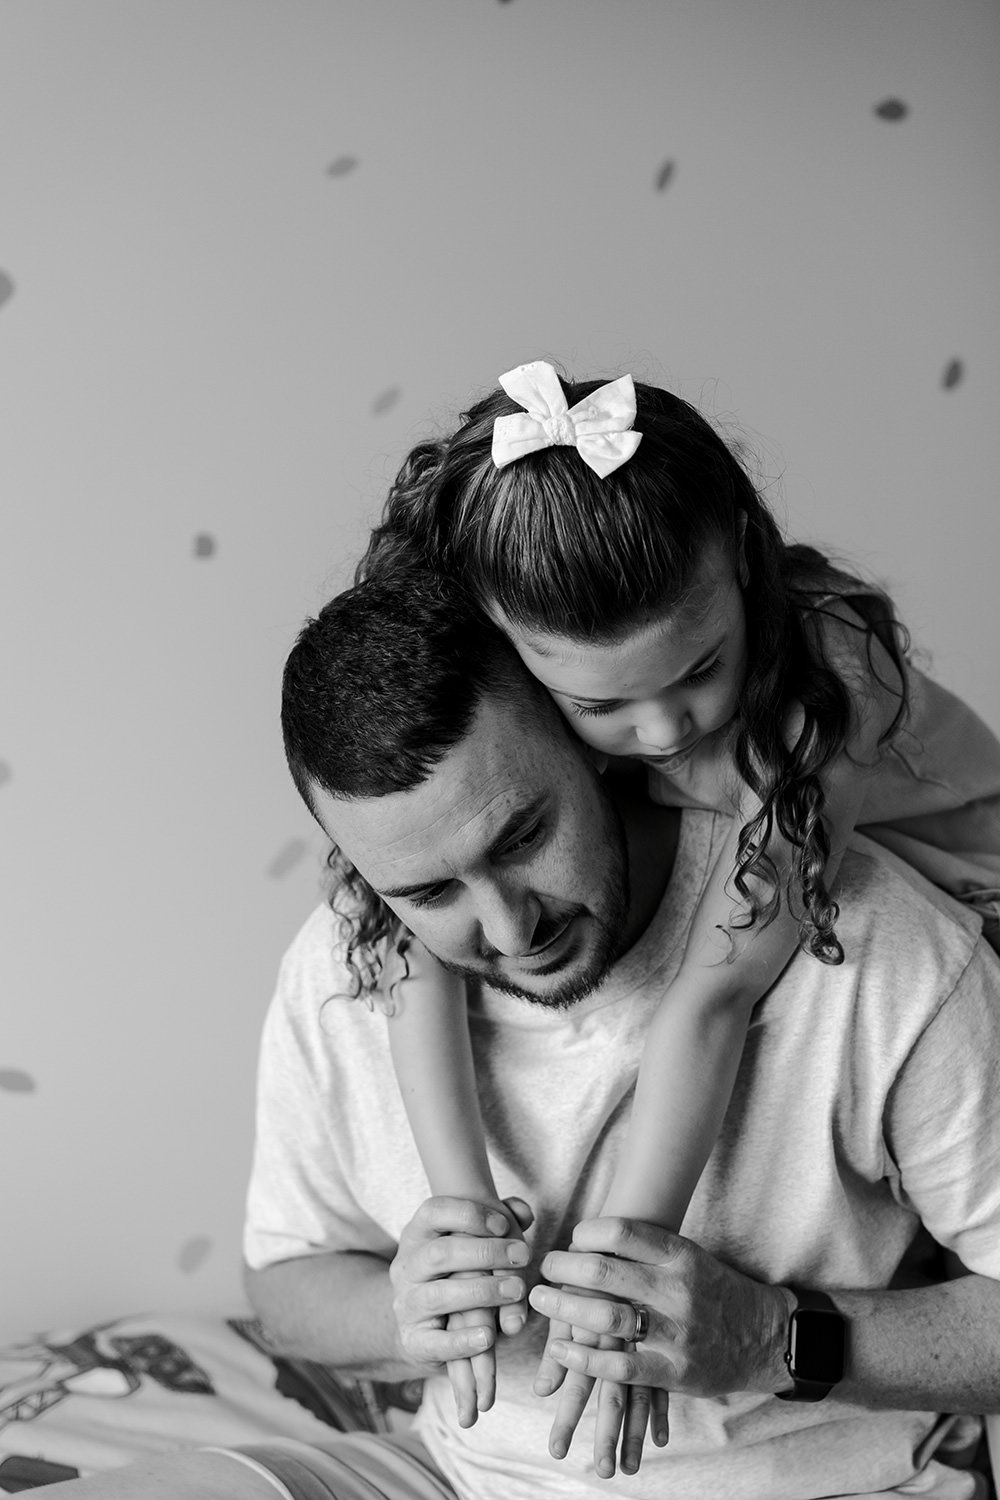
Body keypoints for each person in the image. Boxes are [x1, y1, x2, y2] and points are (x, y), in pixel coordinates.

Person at [40, 566, 1000, 1500]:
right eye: (428, 893)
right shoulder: (347, 965)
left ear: (592, 742)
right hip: (449, 1479)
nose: (508, 930)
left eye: (521, 839)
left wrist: (770, 1336)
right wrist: (401, 1308)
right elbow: (286, 1286)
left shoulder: (879, 950)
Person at [356, 360, 1000, 1448]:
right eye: (602, 703)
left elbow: (712, 997)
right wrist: (465, 1221)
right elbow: (415, 945)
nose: (662, 732)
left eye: (698, 669)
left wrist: (626, 1268)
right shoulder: (513, 712)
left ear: (747, 569)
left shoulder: (816, 694)